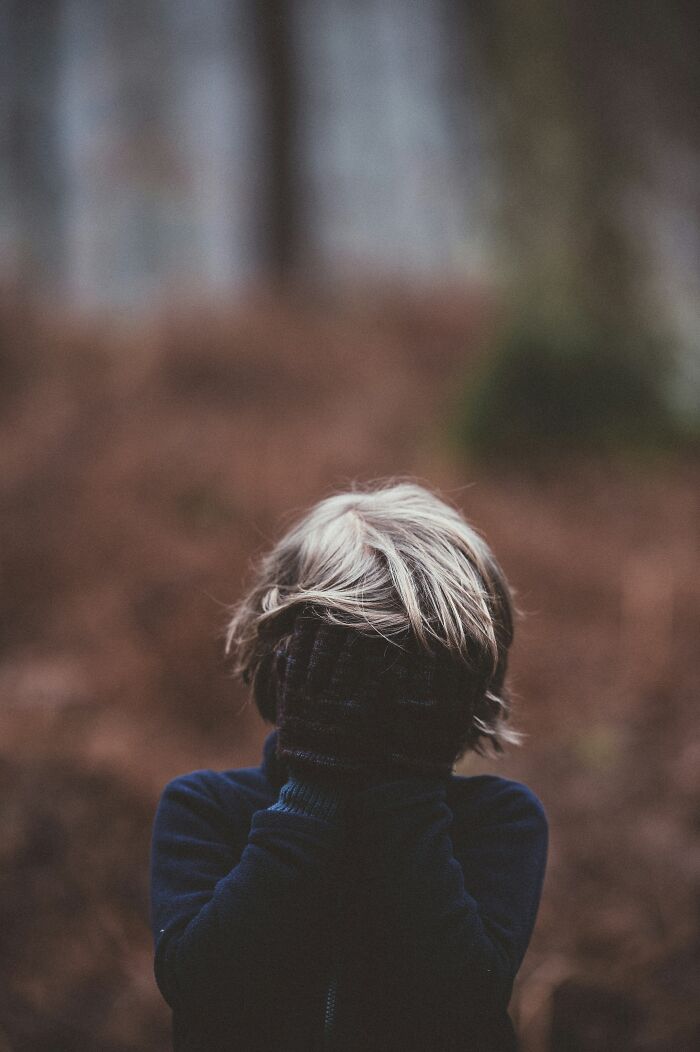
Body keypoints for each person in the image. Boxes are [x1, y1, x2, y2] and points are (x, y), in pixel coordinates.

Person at [149, 480, 548, 1051]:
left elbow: (463, 996)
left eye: (410, 670)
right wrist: (311, 792)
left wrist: (407, 788)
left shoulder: (500, 820)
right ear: (282, 666)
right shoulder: (206, 808)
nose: (373, 700)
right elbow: (203, 984)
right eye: (340, 662)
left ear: (465, 684)